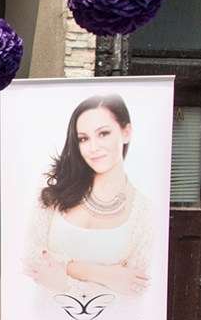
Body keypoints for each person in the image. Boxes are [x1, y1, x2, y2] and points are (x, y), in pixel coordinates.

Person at [22, 94, 154, 301]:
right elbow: (31, 257)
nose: (93, 147)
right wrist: (104, 274)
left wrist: (62, 276)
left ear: (126, 132)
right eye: (83, 138)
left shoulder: (144, 210)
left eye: (103, 134)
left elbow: (135, 288)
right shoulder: (56, 181)